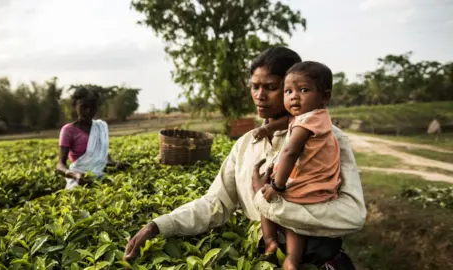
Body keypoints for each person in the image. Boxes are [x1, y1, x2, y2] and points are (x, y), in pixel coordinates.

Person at [123, 47, 366, 270]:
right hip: (266, 261)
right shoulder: (246, 143)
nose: (260, 96)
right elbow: (216, 203)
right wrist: (160, 225)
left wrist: (268, 203)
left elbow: (351, 215)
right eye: (255, 86)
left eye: (271, 88)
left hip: (318, 262)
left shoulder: (329, 139)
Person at [252, 61, 343, 270]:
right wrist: (268, 129)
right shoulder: (318, 118)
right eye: (288, 91)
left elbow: (290, 152)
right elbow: (288, 121)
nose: (294, 96)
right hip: (321, 189)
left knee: (263, 193)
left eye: (303, 90)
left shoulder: (305, 123)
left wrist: (276, 186)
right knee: (295, 224)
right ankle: (292, 258)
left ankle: (269, 240)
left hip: (304, 189)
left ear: (324, 96)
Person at [56, 87, 129, 189]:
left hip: (100, 179)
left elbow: (106, 159)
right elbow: (60, 165)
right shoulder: (68, 130)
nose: (88, 111)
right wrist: (75, 175)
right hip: (79, 182)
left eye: (93, 107)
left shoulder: (101, 127)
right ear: (75, 105)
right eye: (84, 107)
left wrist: (117, 164)